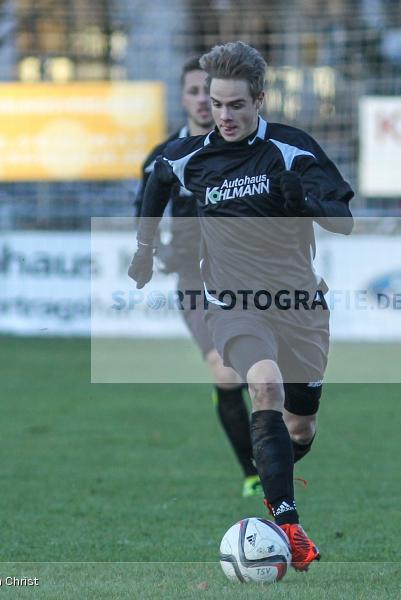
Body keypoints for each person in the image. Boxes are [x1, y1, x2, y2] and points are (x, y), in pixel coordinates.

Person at [129, 41, 354, 571]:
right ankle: (290, 526)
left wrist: (301, 200)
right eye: (216, 102)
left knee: (300, 429)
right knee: (263, 385)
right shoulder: (192, 158)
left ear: (259, 100)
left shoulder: (292, 150)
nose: (222, 115)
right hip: (232, 302)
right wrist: (144, 250)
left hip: (299, 306)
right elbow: (157, 180)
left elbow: (343, 220)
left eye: (235, 105)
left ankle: (273, 476)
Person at [134, 57, 261, 498]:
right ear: (184, 98)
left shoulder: (251, 150)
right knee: (226, 373)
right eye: (194, 92)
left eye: (210, 93)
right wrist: (155, 249)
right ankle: (253, 473)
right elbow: (144, 213)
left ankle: (279, 450)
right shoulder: (163, 158)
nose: (204, 102)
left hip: (253, 278)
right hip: (195, 280)